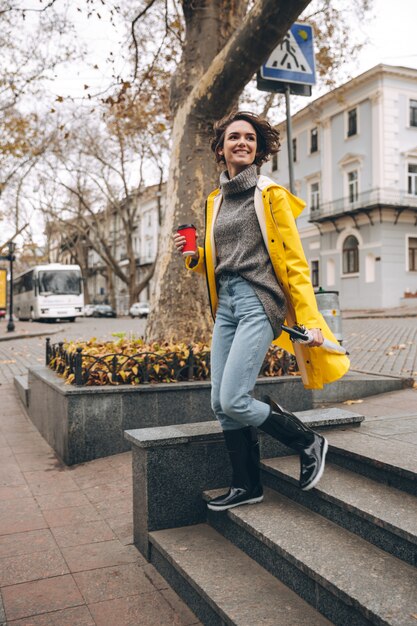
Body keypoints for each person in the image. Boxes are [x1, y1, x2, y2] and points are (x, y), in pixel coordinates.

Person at [173, 111, 350, 512]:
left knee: (235, 399)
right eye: (234, 137)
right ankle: (247, 485)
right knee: (220, 402)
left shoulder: (270, 195)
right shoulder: (215, 200)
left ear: (258, 148)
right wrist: (194, 256)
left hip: (258, 301)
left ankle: (307, 441)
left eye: (250, 138)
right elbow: (224, 259)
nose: (242, 143)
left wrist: (307, 320)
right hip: (227, 305)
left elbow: (294, 262)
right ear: (221, 148)